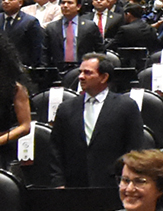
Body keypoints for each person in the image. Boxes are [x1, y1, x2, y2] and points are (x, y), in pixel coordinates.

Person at [52, 52, 146, 190]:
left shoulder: (126, 106)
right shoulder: (66, 108)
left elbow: (135, 148)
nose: (80, 77)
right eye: (80, 72)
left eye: (87, 73)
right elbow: (56, 149)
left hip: (113, 185)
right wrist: (58, 182)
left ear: (104, 77)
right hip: (74, 185)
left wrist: (129, 182)